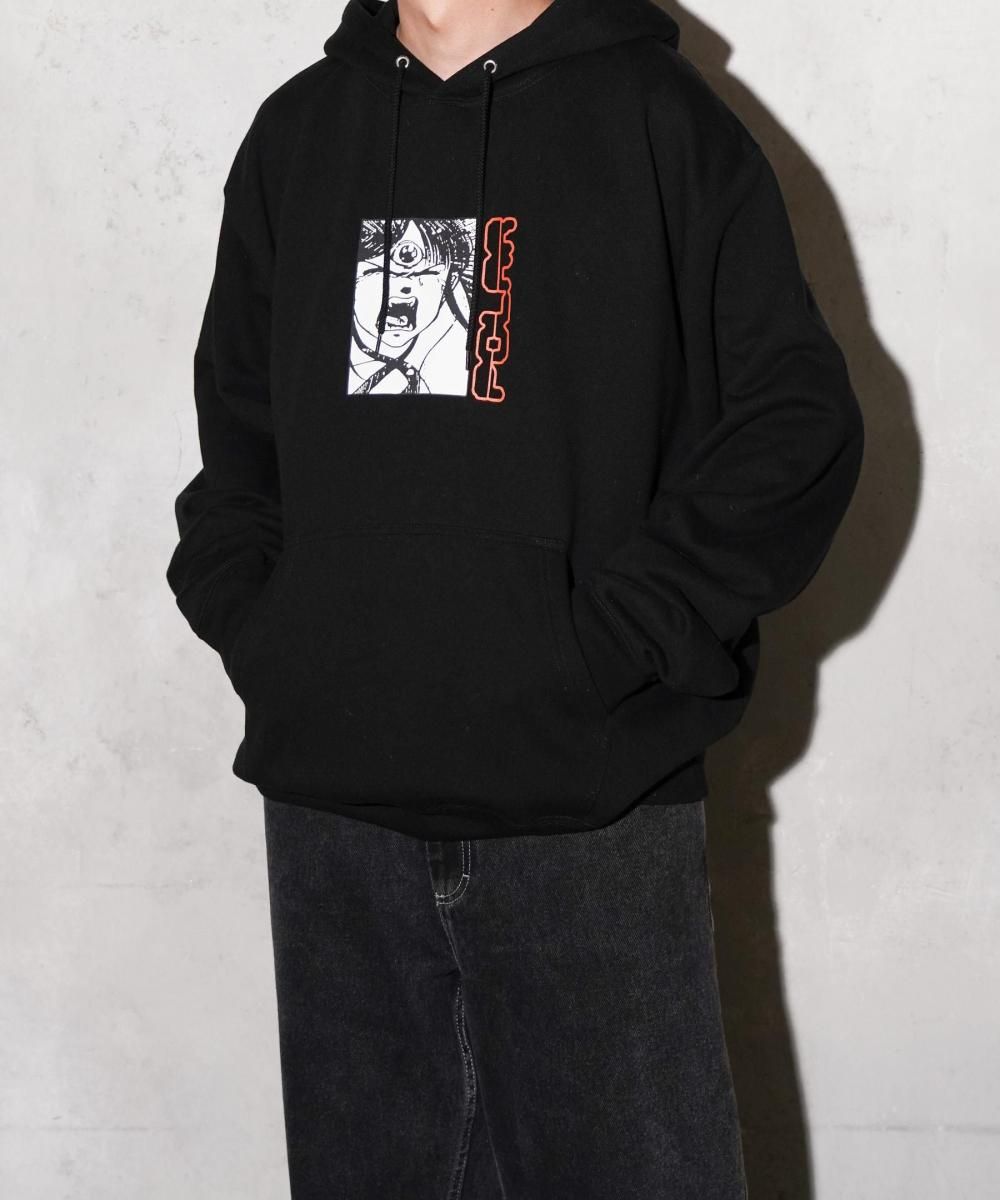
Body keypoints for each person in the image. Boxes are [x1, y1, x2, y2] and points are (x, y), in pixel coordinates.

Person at [165, 0, 865, 1195]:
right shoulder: (298, 132)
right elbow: (237, 437)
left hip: (587, 813)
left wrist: (605, 646)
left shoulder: (661, 121)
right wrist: (281, 637)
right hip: (337, 818)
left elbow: (794, 427)